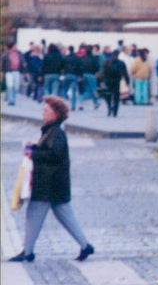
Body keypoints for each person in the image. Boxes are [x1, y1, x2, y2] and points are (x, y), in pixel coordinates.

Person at [8, 96, 94, 264]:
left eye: (46, 110)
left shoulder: (55, 132)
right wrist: (33, 147)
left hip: (48, 184)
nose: (43, 113)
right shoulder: (52, 130)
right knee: (65, 216)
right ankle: (85, 246)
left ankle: (28, 251)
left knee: (34, 214)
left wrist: (34, 153)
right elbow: (49, 151)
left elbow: (54, 155)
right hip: (56, 184)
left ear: (56, 113)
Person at [98, 49, 130, 117]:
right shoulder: (121, 62)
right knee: (116, 97)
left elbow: (103, 72)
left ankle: (109, 108)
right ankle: (115, 111)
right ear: (118, 55)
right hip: (117, 81)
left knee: (108, 95)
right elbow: (125, 73)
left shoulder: (107, 61)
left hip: (108, 81)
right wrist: (127, 82)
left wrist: (101, 80)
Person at [2, 40, 23, 106]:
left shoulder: (19, 53)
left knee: (16, 86)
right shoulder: (6, 54)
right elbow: (3, 63)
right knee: (10, 85)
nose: (16, 47)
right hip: (9, 71)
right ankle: (11, 100)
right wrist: (2, 71)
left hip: (17, 71)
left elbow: (22, 61)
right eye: (15, 46)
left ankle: (13, 98)